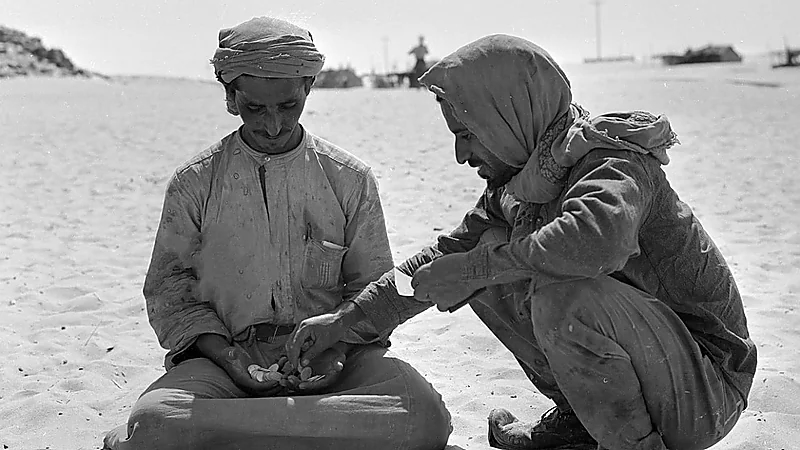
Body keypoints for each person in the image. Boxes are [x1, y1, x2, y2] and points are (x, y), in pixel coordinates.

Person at [287, 35, 756, 450]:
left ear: (508, 117)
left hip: (706, 393)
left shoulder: (612, 159)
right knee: (485, 254)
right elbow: (442, 259)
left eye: (467, 134)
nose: (460, 154)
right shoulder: (521, 185)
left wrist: (475, 269)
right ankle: (584, 419)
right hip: (655, 378)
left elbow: (594, 241)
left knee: (556, 290)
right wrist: (345, 322)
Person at [102, 17, 451, 450]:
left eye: (288, 106)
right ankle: (312, 429)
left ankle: (243, 433)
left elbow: (370, 289)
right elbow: (169, 293)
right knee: (158, 421)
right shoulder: (194, 183)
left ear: (308, 89)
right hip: (225, 362)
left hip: (335, 360)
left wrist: (336, 349)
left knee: (424, 415)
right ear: (230, 98)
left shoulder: (350, 179)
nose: (273, 125)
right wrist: (230, 358)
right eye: (255, 109)